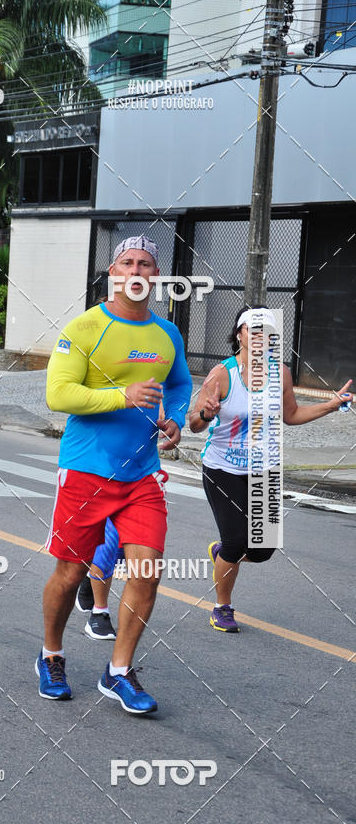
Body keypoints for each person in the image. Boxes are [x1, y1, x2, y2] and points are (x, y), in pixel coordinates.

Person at [39, 235, 192, 715]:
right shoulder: (86, 328)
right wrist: (122, 397)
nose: (137, 271)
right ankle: (51, 654)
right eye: (127, 262)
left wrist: (175, 418)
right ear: (113, 272)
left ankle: (119, 671)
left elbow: (180, 382)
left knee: (146, 571)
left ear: (156, 276)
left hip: (142, 474)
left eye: (146, 264)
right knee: (70, 572)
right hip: (87, 469)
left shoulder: (167, 333)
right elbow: (58, 394)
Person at [189, 305, 353, 633]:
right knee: (237, 540)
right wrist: (206, 413)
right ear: (239, 335)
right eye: (253, 330)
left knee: (263, 550)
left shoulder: (282, 374)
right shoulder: (222, 374)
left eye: (267, 331)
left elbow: (290, 415)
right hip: (223, 468)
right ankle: (222, 606)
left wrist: (330, 406)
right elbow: (194, 424)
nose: (260, 336)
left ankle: (222, 554)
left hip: (264, 469)